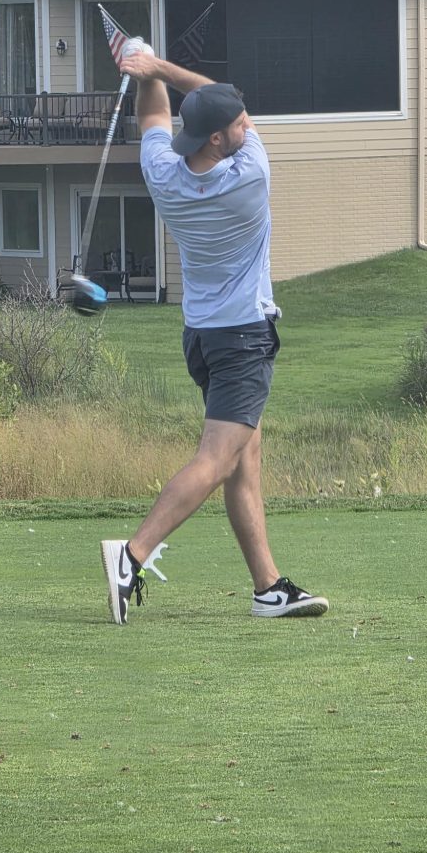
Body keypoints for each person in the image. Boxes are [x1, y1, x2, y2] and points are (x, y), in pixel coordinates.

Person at [100, 43, 329, 625]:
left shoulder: (163, 173)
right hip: (243, 339)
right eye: (232, 125)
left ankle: (268, 588)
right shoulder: (250, 174)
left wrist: (140, 62)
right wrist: (160, 67)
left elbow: (153, 115)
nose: (241, 125)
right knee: (214, 460)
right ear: (220, 141)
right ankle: (131, 554)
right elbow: (218, 102)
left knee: (242, 463)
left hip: (201, 338)